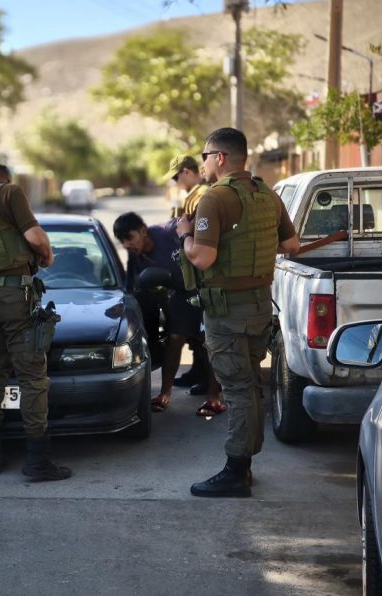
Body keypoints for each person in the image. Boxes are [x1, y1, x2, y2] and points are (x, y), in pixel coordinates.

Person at [177, 128, 300, 498]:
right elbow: (291, 245)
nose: (202, 164)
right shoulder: (267, 194)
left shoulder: (215, 199)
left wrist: (185, 235)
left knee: (238, 389)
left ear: (219, 158)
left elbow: (204, 257)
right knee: (249, 387)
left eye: (204, 156)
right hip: (259, 306)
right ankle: (244, 465)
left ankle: (235, 470)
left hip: (228, 311)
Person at [0, 163, 71, 481]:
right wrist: (47, 255)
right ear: (4, 178)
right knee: (32, 378)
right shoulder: (10, 192)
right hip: (14, 298)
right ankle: (37, 461)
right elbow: (35, 237)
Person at [113, 212, 224, 416]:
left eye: (129, 238)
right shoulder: (136, 257)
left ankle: (214, 398)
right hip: (180, 295)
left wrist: (189, 226)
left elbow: (192, 226)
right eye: (122, 241)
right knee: (175, 339)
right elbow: (132, 288)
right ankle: (164, 394)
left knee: (210, 343)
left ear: (143, 231)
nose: (127, 245)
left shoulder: (169, 232)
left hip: (204, 288)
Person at [163, 154, 225, 412]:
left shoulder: (202, 195)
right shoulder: (196, 195)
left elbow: (200, 238)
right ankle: (202, 378)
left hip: (201, 275)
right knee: (197, 339)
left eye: (178, 177)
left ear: (188, 172)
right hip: (195, 274)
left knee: (205, 339)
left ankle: (214, 394)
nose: (176, 182)